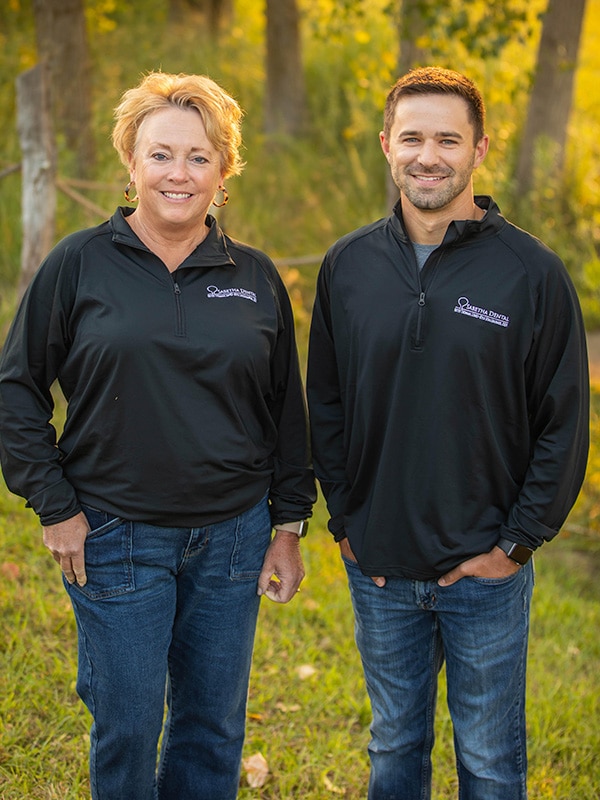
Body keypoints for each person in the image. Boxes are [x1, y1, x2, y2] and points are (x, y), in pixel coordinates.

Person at [0, 71, 315, 800]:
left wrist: (288, 525)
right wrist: (53, 504)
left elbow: (284, 412)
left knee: (211, 727)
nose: (179, 173)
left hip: (234, 539)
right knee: (127, 724)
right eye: (162, 154)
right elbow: (17, 386)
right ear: (131, 162)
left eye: (199, 157)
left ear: (224, 170)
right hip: (116, 531)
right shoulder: (78, 264)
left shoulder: (258, 277)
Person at [306, 66, 589, 799]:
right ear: (385, 146)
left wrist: (516, 544)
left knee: (492, 764)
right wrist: (346, 521)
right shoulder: (346, 267)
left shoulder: (531, 274)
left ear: (480, 148)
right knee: (394, 748)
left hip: (487, 569)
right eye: (412, 138)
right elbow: (325, 406)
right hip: (381, 568)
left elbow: (564, 423)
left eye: (447, 139)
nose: (427, 155)